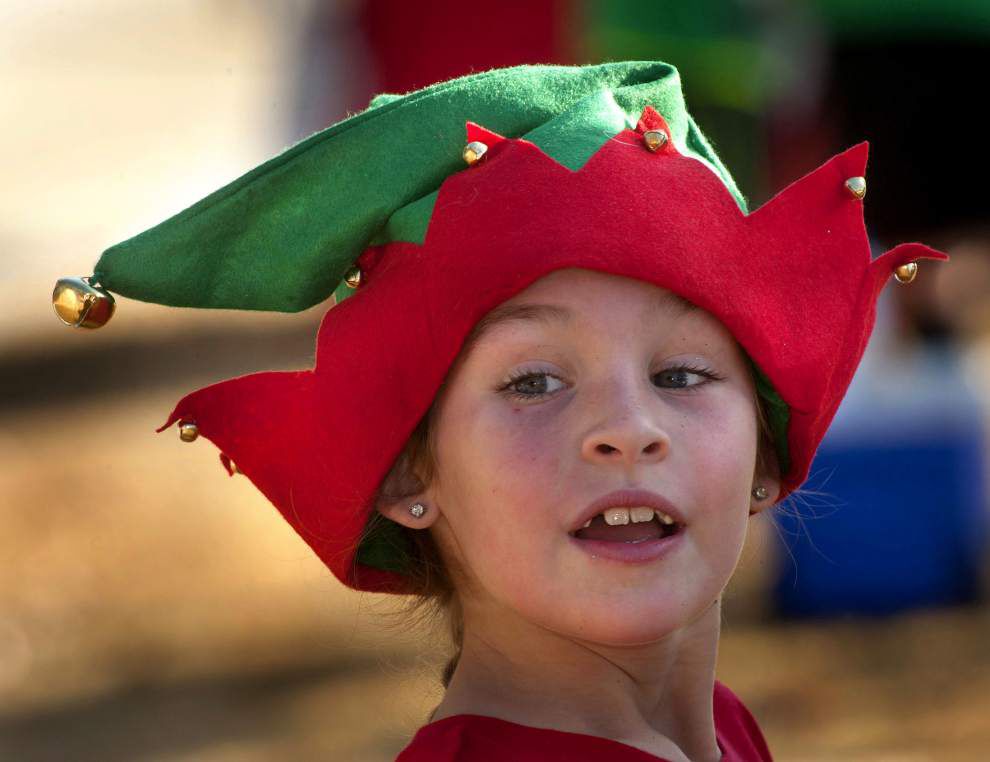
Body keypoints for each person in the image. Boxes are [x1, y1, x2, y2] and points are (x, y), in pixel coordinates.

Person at [52, 62, 949, 761]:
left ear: (764, 452)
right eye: (533, 383)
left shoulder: (722, 729)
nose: (628, 427)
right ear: (409, 467)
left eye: (681, 374)